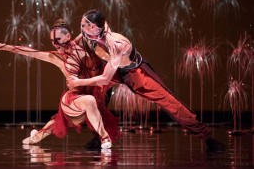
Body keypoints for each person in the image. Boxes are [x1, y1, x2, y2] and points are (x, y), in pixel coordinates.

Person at [67, 9, 225, 151]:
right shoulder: (93, 29)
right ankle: (99, 136)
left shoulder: (117, 44)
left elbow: (105, 78)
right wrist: (72, 44)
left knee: (168, 101)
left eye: (83, 25)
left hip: (135, 73)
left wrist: (78, 82)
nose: (81, 28)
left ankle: (207, 137)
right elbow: (91, 29)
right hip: (114, 69)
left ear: (94, 27)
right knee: (96, 96)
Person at [0, 19, 120, 149]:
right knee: (89, 101)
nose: (55, 44)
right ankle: (104, 138)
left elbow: (101, 26)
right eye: (52, 41)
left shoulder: (82, 41)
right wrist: (3, 46)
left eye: (58, 39)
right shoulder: (56, 57)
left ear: (68, 36)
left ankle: (35, 137)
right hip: (72, 99)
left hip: (90, 93)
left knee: (58, 122)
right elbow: (29, 52)